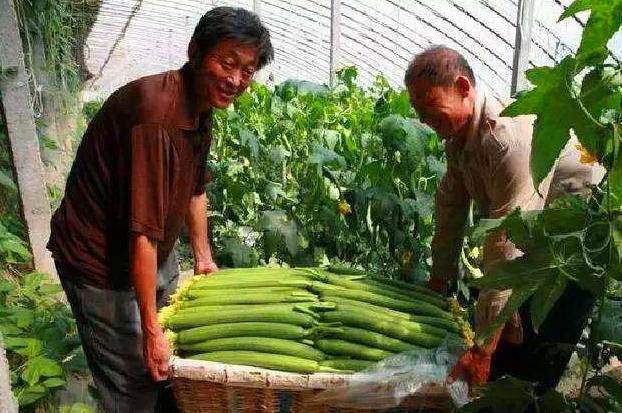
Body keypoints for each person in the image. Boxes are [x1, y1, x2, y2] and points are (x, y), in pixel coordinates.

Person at [47, 7, 273, 412]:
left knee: (171, 365)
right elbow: (142, 235)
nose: (235, 80)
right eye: (226, 62)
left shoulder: (202, 104)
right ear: (195, 52)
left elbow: (195, 189)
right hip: (100, 262)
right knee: (134, 382)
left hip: (151, 251)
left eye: (248, 69)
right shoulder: (157, 116)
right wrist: (150, 333)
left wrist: (203, 259)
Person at [403, 46, 603, 393]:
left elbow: (507, 242)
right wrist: (439, 280)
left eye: (430, 108)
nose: (424, 121)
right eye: (418, 112)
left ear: (463, 87)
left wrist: (482, 347)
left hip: (577, 250)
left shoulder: (508, 138)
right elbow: (449, 209)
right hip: (534, 245)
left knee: (532, 365)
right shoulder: (458, 140)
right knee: (505, 353)